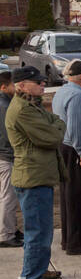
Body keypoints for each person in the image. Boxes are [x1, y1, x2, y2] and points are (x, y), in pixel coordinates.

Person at [8, 66, 67, 279]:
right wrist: (57, 124)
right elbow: (52, 136)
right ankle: (31, 278)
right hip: (32, 177)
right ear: (21, 85)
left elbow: (53, 121)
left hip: (38, 175)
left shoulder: (31, 105)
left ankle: (38, 270)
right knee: (37, 232)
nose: (43, 84)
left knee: (43, 230)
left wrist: (55, 123)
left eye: (43, 81)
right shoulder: (23, 110)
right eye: (38, 82)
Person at [51, 60, 81, 255]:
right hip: (73, 149)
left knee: (69, 196)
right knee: (80, 197)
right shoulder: (78, 96)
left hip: (64, 147)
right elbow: (75, 128)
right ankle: (77, 243)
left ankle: (68, 239)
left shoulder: (63, 91)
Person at [0, 71, 21, 249]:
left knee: (8, 195)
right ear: (4, 86)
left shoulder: (6, 103)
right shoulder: (5, 106)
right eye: (14, 84)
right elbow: (9, 135)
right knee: (8, 196)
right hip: (6, 156)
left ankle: (11, 229)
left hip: (4, 154)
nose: (17, 88)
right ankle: (5, 234)